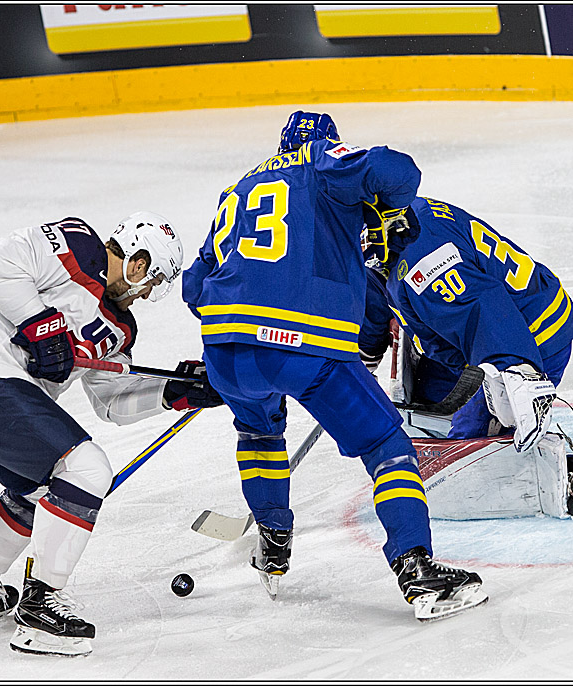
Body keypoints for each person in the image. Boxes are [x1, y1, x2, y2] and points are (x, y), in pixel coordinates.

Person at [181, 111, 488, 622]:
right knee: (384, 445)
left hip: (226, 349)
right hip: (302, 342)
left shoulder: (238, 190)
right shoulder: (323, 164)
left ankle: (274, 540)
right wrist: (389, 209)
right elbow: (398, 170)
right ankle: (416, 567)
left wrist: (235, 338)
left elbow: (195, 286)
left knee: (258, 433)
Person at [0, 212, 223, 656]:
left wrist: (174, 390)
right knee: (85, 467)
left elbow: (111, 402)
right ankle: (40, 609)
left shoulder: (119, 327)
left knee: (44, 487)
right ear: (138, 264)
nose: (148, 293)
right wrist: (40, 325)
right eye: (153, 281)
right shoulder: (77, 245)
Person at [359, 197, 573, 519]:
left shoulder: (424, 258)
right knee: (423, 401)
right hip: (474, 337)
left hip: (526, 335)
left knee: (462, 466)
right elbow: (376, 282)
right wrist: (362, 357)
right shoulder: (395, 221)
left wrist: (513, 371)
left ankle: (571, 475)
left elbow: (484, 310)